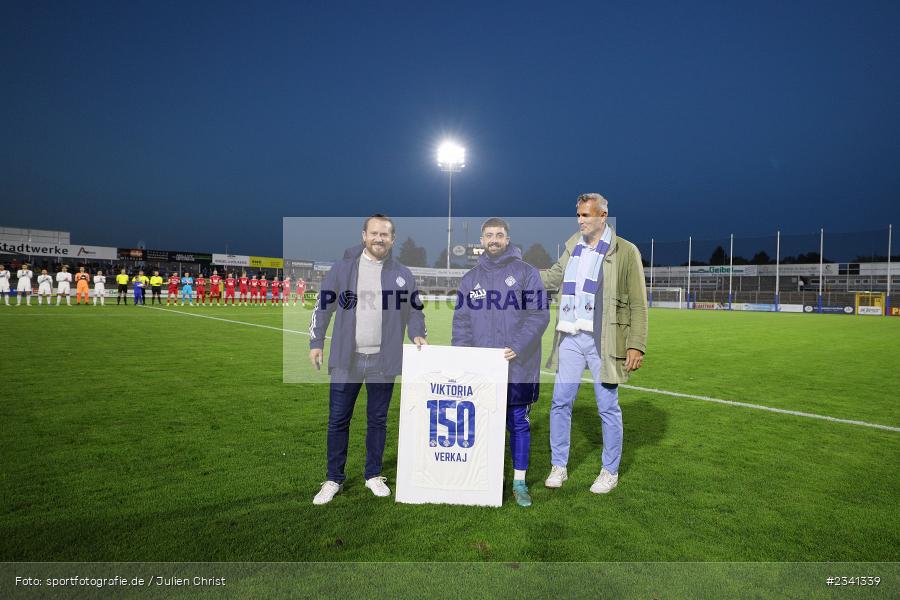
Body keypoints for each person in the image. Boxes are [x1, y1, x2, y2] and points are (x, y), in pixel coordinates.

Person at [309, 214, 427, 505]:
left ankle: (373, 474)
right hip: (346, 360)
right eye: (374, 233)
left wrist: (417, 333)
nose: (379, 238)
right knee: (338, 420)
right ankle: (333, 478)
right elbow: (323, 306)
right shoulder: (343, 268)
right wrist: (316, 341)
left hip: (382, 361)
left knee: (377, 421)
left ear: (392, 239)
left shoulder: (402, 274)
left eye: (385, 234)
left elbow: (415, 310)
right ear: (364, 235)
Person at [541, 193, 648, 494]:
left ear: (603, 216)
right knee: (560, 402)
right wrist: (516, 274)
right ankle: (558, 466)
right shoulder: (572, 246)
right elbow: (551, 279)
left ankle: (609, 471)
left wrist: (636, 344)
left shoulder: (625, 251)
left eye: (586, 215)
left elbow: (639, 304)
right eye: (578, 215)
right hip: (570, 337)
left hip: (604, 340)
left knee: (607, 407)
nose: (581, 220)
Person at [451, 218, 550, 507]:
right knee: (483, 424)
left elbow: (539, 315)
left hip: (518, 366)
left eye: (499, 235)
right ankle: (489, 477)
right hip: (482, 369)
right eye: (488, 235)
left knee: (518, 422)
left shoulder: (526, 272)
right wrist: (462, 357)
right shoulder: (470, 278)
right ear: (481, 240)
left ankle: (519, 481)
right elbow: (461, 322)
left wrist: (517, 346)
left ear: (507, 239)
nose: (493, 239)